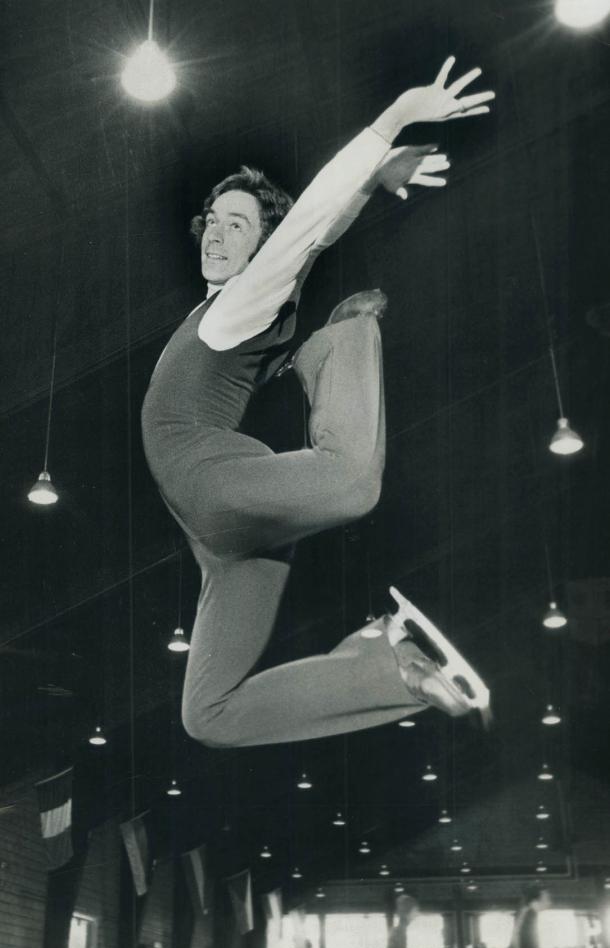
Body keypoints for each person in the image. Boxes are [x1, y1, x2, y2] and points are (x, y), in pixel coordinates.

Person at [141, 58, 494, 750]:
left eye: (238, 226)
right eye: (212, 220)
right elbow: (311, 238)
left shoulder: (238, 306)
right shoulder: (231, 309)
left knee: (351, 482)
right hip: (215, 524)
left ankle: (347, 334)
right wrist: (376, 176)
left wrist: (389, 125)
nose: (216, 233)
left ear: (260, 246)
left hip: (217, 492)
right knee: (206, 715)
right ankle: (386, 668)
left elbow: (305, 229)